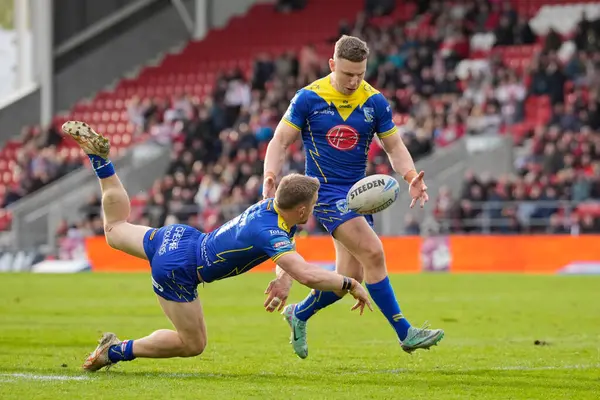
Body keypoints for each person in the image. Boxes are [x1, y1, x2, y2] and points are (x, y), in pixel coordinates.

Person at [61, 121, 372, 372]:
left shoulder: (271, 208)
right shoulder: (271, 231)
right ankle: (114, 351)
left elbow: (287, 254)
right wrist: (349, 282)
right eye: (314, 204)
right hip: (180, 269)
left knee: (115, 229)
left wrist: (282, 277)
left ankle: (101, 162)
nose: (315, 207)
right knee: (193, 344)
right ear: (302, 210)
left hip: (181, 238)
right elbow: (307, 273)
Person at [262, 35, 444, 359]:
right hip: (324, 193)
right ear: (332, 65)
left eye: (360, 73)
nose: (354, 80)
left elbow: (394, 146)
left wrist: (411, 176)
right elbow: (279, 141)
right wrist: (270, 177)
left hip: (357, 196)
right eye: (347, 74)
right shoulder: (309, 98)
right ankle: (406, 332)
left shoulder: (374, 102)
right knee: (374, 252)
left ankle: (298, 314)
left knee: (350, 277)